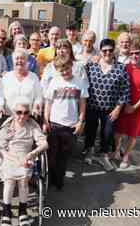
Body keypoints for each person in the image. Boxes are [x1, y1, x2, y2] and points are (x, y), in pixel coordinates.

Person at [0, 96, 48, 226]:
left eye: (26, 112)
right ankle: (6, 213)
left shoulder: (32, 125)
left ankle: (23, 211)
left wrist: (31, 155)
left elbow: (44, 144)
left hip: (26, 157)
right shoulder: (8, 125)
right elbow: (1, 148)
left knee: (24, 178)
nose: (22, 116)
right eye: (19, 112)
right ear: (14, 112)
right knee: (9, 179)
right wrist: (14, 159)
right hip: (9, 157)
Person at [83, 38, 130, 171]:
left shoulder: (121, 68)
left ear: (114, 50)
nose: (107, 53)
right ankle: (89, 150)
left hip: (111, 108)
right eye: (104, 50)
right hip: (92, 106)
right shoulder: (91, 65)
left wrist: (118, 108)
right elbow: (83, 82)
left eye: (110, 50)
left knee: (108, 133)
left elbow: (125, 90)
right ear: (101, 51)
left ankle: (104, 156)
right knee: (90, 129)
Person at [44, 56, 88, 190]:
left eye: (67, 69)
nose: (65, 72)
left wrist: (80, 121)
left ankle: (59, 180)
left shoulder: (79, 82)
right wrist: (46, 121)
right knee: (52, 155)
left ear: (71, 66)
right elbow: (48, 103)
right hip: (55, 124)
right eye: (61, 71)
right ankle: (49, 180)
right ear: (57, 71)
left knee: (64, 155)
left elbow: (82, 104)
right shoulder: (54, 82)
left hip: (70, 126)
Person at [113, 40, 140, 168]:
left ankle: (126, 155)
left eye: (137, 53)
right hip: (125, 104)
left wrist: (135, 107)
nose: (134, 56)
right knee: (118, 131)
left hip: (138, 106)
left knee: (132, 133)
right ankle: (116, 150)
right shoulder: (125, 67)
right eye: (132, 53)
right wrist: (123, 105)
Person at [0, 48, 43, 117]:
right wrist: (0, 106)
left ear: (27, 61)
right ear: (13, 61)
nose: (19, 61)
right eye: (17, 58)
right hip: (8, 116)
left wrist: (36, 106)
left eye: (22, 58)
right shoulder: (6, 77)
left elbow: (39, 96)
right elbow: (0, 95)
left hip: (27, 117)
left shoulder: (34, 77)